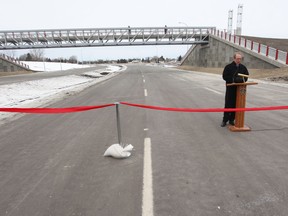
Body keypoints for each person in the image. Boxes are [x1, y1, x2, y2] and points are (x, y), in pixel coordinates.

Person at [221, 52, 249, 127]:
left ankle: (231, 119)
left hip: (239, 89)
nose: (239, 60)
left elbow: (246, 76)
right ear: (234, 58)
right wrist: (233, 79)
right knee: (228, 104)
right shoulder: (228, 67)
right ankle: (225, 120)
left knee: (236, 104)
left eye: (240, 59)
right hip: (230, 88)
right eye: (237, 59)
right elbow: (224, 76)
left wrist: (241, 80)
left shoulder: (243, 67)